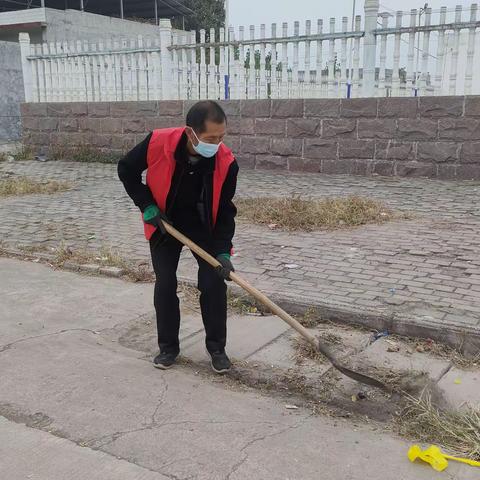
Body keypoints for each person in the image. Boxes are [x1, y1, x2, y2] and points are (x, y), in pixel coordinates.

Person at [118, 100, 239, 374]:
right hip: (165, 222)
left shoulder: (226, 162)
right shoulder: (158, 142)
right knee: (165, 282)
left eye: (221, 137)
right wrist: (146, 205)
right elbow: (126, 169)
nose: (217, 144)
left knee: (213, 283)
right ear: (190, 133)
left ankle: (217, 349)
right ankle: (168, 348)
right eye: (210, 138)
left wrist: (222, 251)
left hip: (202, 226)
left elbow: (225, 211)